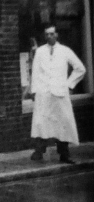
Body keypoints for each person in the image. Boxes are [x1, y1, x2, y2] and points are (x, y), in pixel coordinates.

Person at [28, 24, 86, 164]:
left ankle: (64, 154)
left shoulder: (65, 51)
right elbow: (35, 72)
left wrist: (69, 84)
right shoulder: (40, 51)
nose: (49, 36)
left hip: (60, 93)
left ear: (57, 35)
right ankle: (39, 151)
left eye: (52, 34)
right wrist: (34, 90)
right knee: (42, 122)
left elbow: (80, 68)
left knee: (63, 123)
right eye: (47, 34)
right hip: (44, 93)